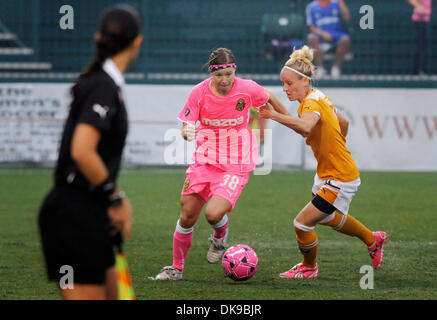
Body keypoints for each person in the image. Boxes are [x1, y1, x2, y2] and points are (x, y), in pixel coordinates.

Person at [151, 47, 290, 280]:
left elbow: (271, 98)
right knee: (187, 216)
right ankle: (176, 269)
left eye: (228, 73)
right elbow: (186, 126)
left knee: (213, 213)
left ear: (234, 70)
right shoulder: (199, 92)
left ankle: (219, 237)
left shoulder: (247, 88)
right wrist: (188, 132)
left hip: (236, 162)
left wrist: (289, 119)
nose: (224, 80)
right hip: (204, 160)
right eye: (219, 75)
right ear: (211, 74)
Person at [38, 5, 142, 299]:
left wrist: (106, 203)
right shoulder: (103, 86)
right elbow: (82, 151)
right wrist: (115, 197)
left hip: (90, 212)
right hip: (73, 215)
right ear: (137, 42)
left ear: (99, 37)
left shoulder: (103, 82)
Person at [259, 46, 388, 279]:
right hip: (331, 172)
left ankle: (309, 268)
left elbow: (305, 126)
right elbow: (344, 122)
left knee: (302, 224)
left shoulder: (311, 104)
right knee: (327, 216)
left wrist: (273, 115)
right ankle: (373, 239)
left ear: (304, 81)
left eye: (289, 83)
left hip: (339, 177)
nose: (285, 88)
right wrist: (273, 100)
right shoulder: (318, 97)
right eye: (283, 84)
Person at [306, 0, 351, 79]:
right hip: (320, 34)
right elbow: (311, 27)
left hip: (336, 34)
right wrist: (323, 34)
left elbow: (347, 17)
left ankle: (336, 68)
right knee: (311, 38)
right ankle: (320, 68)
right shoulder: (312, 6)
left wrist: (340, 2)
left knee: (345, 39)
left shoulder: (336, 4)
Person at [407, 0, 432, 75]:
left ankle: (419, 70)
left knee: (423, 46)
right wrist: (419, 6)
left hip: (425, 20)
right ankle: (417, 71)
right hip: (419, 20)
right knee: (420, 46)